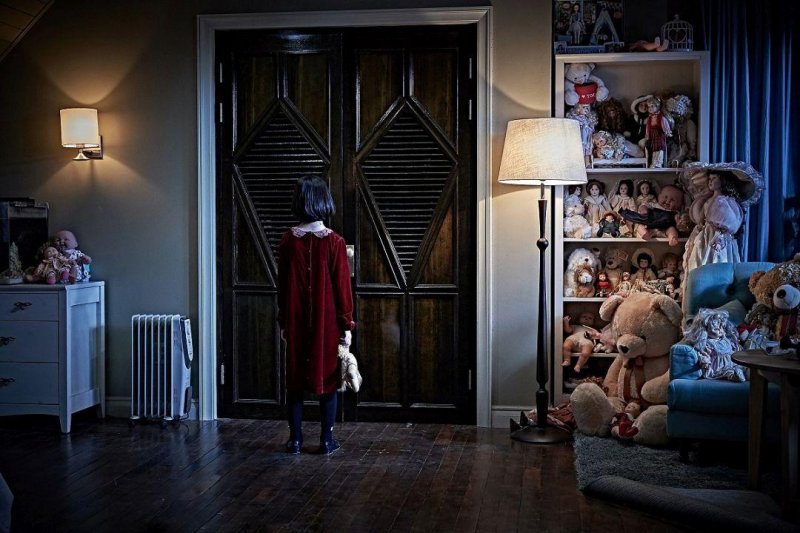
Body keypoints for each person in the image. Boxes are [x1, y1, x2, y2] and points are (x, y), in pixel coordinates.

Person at [278, 175, 356, 455]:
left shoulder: (288, 240)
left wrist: (283, 321)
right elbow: (343, 289)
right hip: (327, 323)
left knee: (295, 382)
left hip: (295, 320)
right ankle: (326, 440)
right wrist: (346, 324)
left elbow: (282, 286)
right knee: (329, 381)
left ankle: (295, 440)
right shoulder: (335, 242)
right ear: (324, 201)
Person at [681, 308, 746, 382]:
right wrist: (705, 362)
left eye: (722, 327)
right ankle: (733, 376)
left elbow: (734, 348)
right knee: (728, 371)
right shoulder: (707, 343)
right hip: (719, 367)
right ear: (705, 330)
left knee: (743, 367)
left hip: (732, 363)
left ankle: (741, 372)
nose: (720, 330)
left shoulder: (725, 339)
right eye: (716, 329)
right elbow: (704, 354)